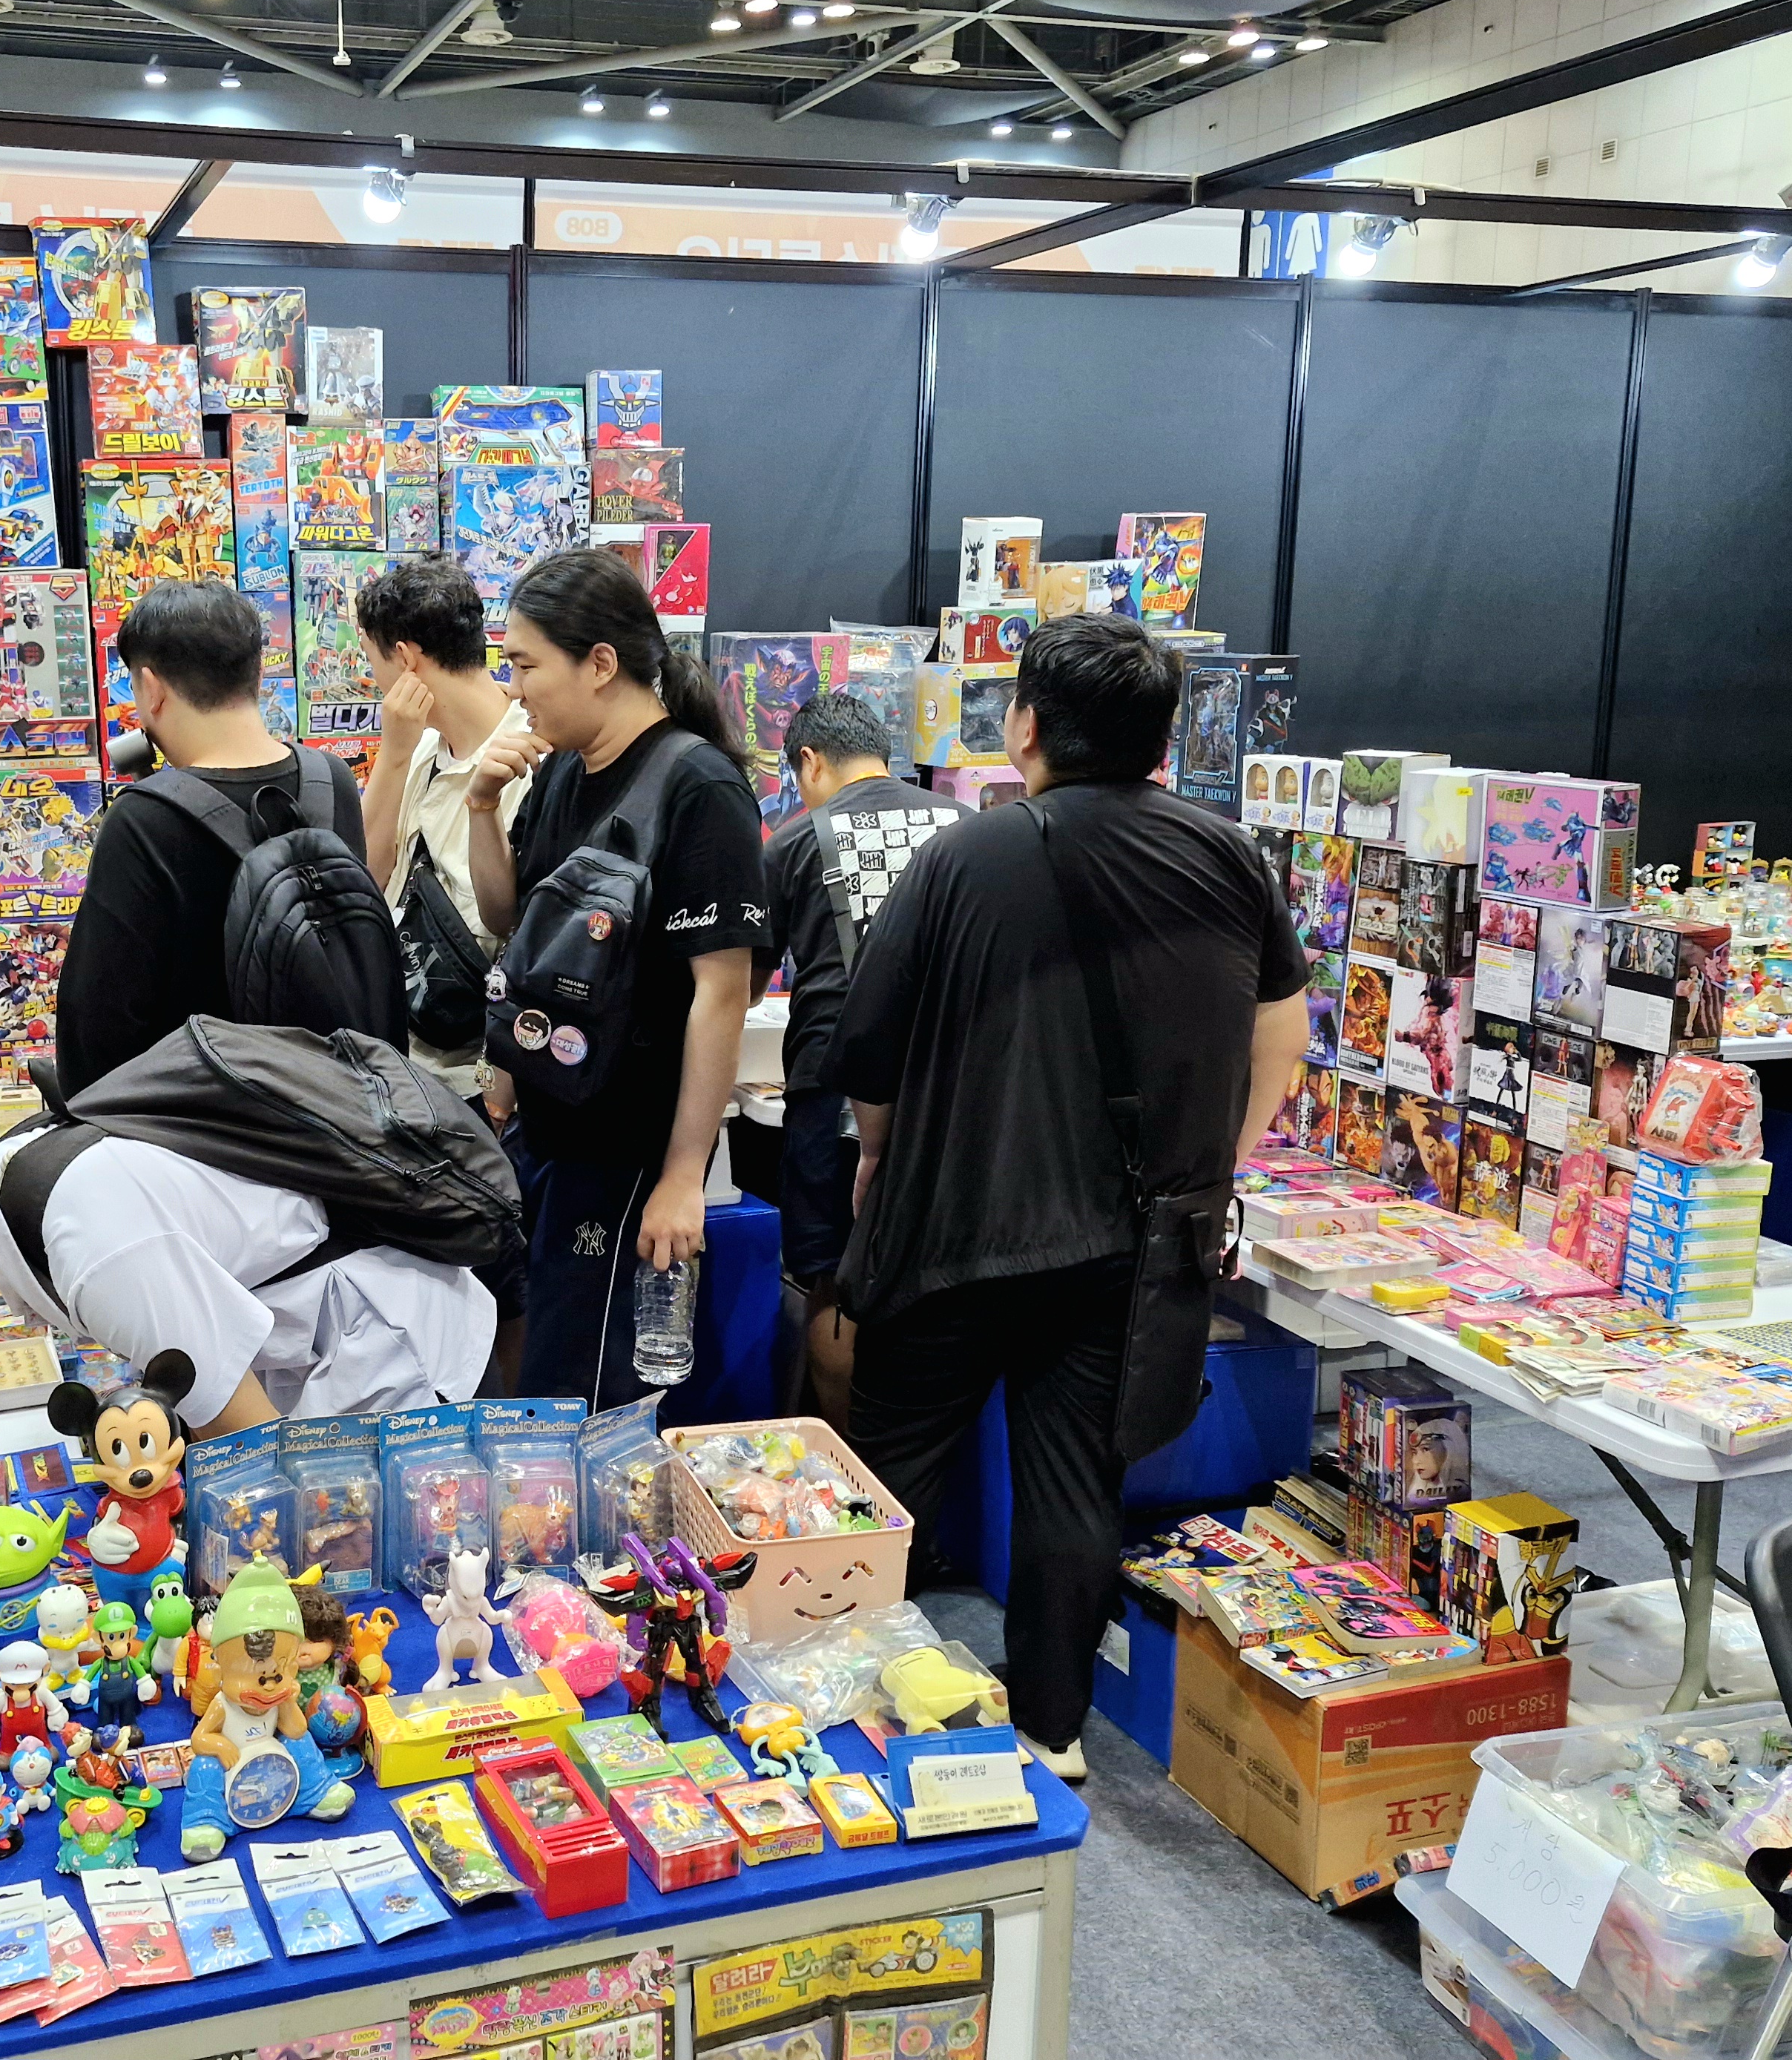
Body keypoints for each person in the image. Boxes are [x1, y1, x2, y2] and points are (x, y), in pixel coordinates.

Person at [828, 614, 1308, 1782]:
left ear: (1027, 725)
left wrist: (875, 1157)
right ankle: (1052, 1728)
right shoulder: (1230, 857)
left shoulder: (964, 854)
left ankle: (832, 1702)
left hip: (957, 1224)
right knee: (1076, 1481)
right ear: (1165, 738)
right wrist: (1209, 1168)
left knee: (884, 1471)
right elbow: (1281, 1044)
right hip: (1132, 1243)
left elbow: (869, 1045)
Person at [0, 1090, 492, 1435]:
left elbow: (253, 1453)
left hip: (390, 1351)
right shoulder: (15, 1203)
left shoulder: (84, 1234)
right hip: (317, 1357)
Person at [464, 548, 765, 1408]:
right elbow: (509, 919)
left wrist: (682, 1175)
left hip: (632, 1153)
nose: (514, 689)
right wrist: (480, 806)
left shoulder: (697, 787)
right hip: (554, 1134)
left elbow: (722, 993)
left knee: (590, 1398)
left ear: (600, 663)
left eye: (526, 665)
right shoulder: (563, 766)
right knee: (548, 1377)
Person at [53, 582, 368, 1102]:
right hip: (338, 1108)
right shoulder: (331, 780)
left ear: (151, 689)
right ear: (258, 674)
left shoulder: (144, 819)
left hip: (203, 1122)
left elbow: (97, 1028)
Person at [758, 692, 959, 1434]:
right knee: (938, 1288)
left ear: (809, 762)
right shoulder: (965, 827)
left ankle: (852, 1466)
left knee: (833, 1283)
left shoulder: (793, 842)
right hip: (950, 1091)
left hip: (832, 1083)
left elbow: (745, 982)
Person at [356, 553, 530, 1108]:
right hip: (406, 1062)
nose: (373, 679)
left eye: (373, 662)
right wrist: (394, 755)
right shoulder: (418, 747)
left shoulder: (529, 757)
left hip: (485, 1078)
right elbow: (367, 877)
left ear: (406, 659)